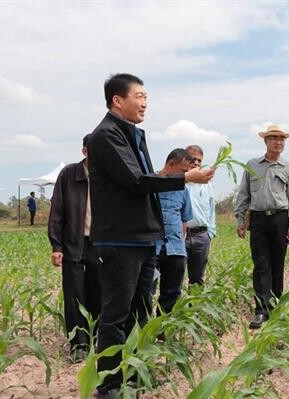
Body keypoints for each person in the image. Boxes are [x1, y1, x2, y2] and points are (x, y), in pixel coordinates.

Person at [87, 73, 214, 398]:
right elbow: (137, 181)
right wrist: (185, 177)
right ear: (118, 99)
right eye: (139, 95)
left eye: (146, 96)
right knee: (116, 316)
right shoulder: (106, 136)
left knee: (141, 312)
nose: (145, 102)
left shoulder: (132, 135)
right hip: (121, 240)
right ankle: (109, 384)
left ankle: (134, 373)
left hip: (144, 239)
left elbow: (145, 180)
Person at [235, 124, 289, 329]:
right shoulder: (252, 165)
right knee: (261, 265)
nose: (278, 142)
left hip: (280, 219)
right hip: (259, 220)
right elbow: (243, 194)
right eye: (274, 138)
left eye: (282, 139)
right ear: (266, 141)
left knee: (277, 265)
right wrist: (240, 220)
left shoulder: (288, 168)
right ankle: (261, 311)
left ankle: (275, 308)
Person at [47, 133, 101, 362]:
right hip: (73, 243)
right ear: (85, 152)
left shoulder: (107, 176)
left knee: (99, 292)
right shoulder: (69, 174)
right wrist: (56, 245)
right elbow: (57, 211)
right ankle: (78, 345)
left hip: (100, 244)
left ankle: (96, 338)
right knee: (75, 295)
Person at [155, 149, 193, 314]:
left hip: (175, 248)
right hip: (151, 248)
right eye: (184, 171)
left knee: (171, 294)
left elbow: (184, 219)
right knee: (144, 292)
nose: (186, 175)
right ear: (171, 164)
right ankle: (141, 333)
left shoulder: (183, 189)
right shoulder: (151, 183)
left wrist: (181, 244)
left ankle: (163, 332)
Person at [184, 145, 216, 286]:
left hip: (201, 236)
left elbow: (211, 208)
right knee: (176, 277)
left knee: (197, 280)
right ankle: (177, 308)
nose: (196, 163)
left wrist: (210, 233)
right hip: (181, 236)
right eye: (192, 159)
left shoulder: (206, 184)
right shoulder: (177, 182)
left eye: (199, 160)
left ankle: (195, 308)